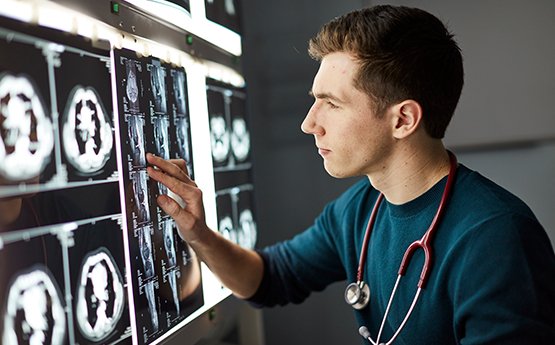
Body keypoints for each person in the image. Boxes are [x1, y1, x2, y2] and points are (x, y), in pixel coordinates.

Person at [146, 5, 555, 344]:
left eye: (331, 104)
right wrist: (198, 232)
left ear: (404, 120)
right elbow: (267, 279)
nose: (309, 124)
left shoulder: (496, 238)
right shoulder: (362, 208)